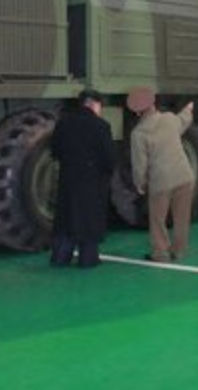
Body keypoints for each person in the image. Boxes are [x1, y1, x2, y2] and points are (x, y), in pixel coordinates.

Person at [48, 90, 117, 268]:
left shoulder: (63, 123)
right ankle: (88, 260)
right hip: (92, 182)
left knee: (66, 219)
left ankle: (60, 257)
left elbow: (55, 150)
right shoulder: (101, 126)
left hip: (68, 179)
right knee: (88, 221)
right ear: (94, 104)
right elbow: (109, 158)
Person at [127, 86, 195, 263]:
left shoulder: (138, 134)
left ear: (137, 112)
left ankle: (160, 253)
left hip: (161, 181)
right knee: (182, 218)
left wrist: (140, 184)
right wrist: (188, 109)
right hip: (184, 176)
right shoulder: (169, 119)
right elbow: (184, 120)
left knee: (158, 220)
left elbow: (139, 165)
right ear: (153, 104)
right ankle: (179, 251)